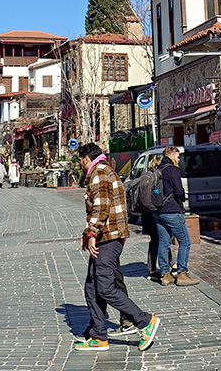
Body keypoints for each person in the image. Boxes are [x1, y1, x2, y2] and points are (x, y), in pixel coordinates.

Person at [74, 142, 159, 352]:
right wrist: (89, 234)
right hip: (107, 236)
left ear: (86, 158)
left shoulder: (99, 173)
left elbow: (101, 206)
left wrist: (92, 233)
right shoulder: (102, 170)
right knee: (92, 287)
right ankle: (98, 335)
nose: (80, 166)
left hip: (109, 238)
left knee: (104, 287)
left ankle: (145, 321)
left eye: (80, 161)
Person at [154, 145, 198, 286]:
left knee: (164, 242)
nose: (179, 160)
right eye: (178, 157)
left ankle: (165, 274)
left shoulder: (157, 168)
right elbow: (178, 190)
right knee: (185, 241)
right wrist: (182, 198)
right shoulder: (172, 169)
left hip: (158, 212)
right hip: (172, 210)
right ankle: (182, 273)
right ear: (172, 156)